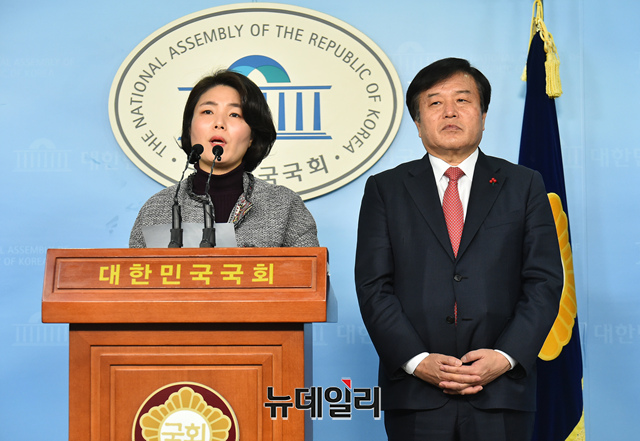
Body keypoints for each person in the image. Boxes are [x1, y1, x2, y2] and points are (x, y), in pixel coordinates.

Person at [354, 58, 563, 441]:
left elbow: (544, 281)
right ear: (417, 123)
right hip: (416, 394)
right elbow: (373, 286)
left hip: (501, 392)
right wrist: (416, 361)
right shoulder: (385, 189)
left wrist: (504, 357)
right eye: (435, 102)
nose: (449, 112)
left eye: (463, 100)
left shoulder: (524, 184)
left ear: (483, 116)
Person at [129, 70, 319, 248]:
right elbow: (133, 271)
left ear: (252, 136)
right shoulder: (157, 209)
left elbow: (311, 269)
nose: (219, 123)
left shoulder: (284, 206)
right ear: (189, 127)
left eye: (235, 114)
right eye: (207, 112)